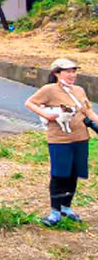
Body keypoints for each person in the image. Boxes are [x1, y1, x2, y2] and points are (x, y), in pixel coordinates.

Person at [24, 58, 98, 226]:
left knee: (73, 173)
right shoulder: (49, 89)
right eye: (68, 71)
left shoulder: (79, 90)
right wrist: (46, 115)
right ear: (57, 73)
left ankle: (66, 207)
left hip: (81, 138)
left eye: (74, 71)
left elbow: (89, 112)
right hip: (60, 140)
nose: (72, 75)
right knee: (59, 174)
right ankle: (54, 212)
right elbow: (30, 103)